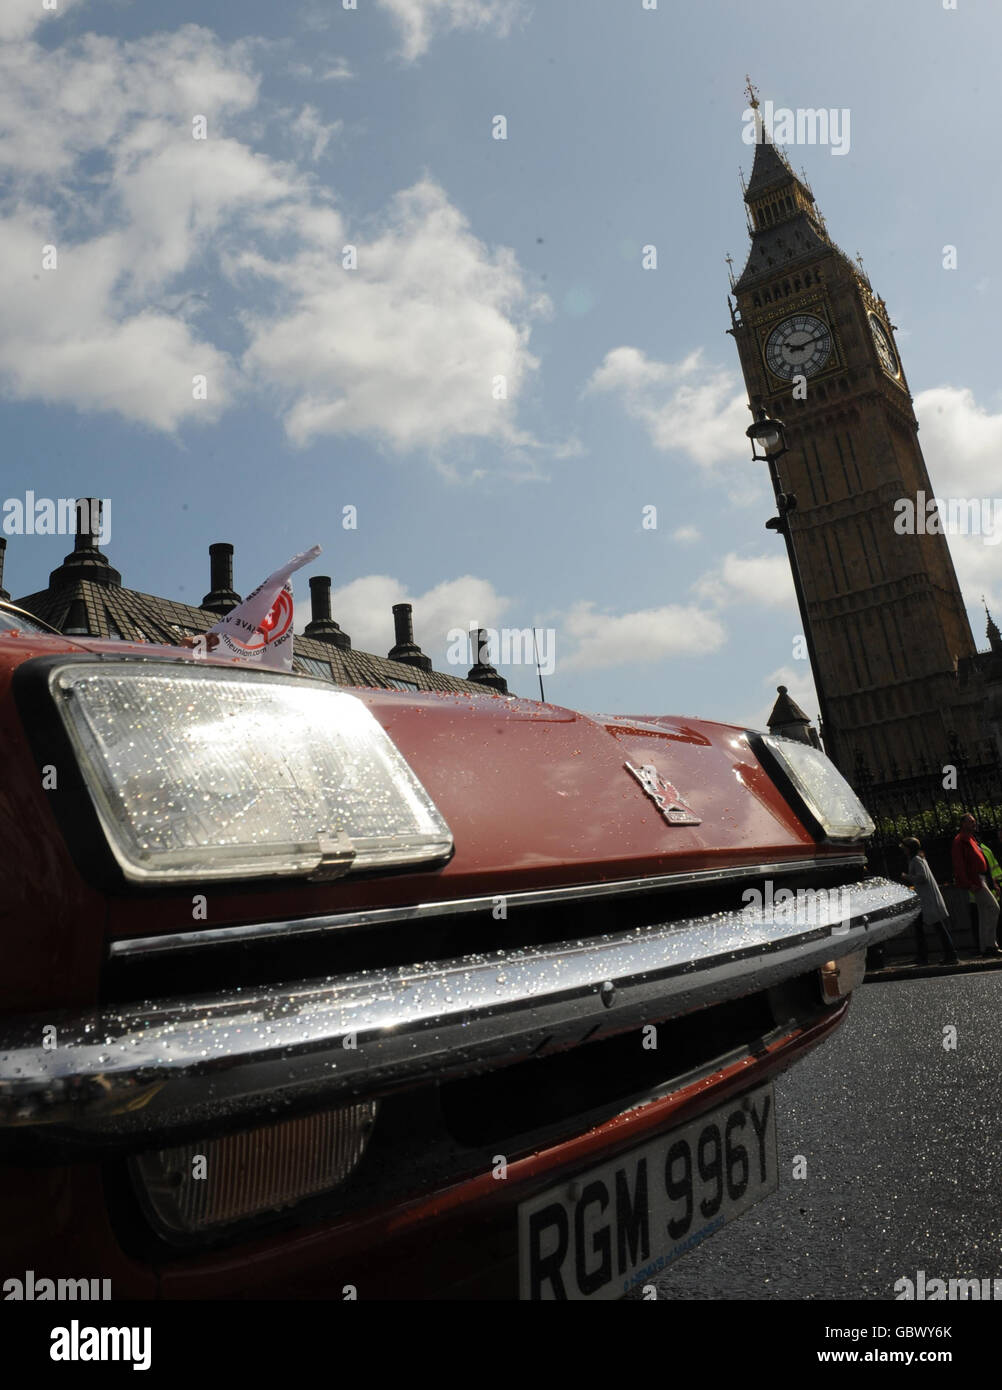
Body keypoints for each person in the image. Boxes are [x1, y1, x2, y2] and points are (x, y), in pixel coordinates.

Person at [901, 837, 959, 965]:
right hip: (924, 900)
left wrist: (907, 877)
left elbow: (922, 877)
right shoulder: (918, 858)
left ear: (909, 848)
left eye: (904, 846)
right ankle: (924, 955)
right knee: (921, 927)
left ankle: (950, 954)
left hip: (927, 900)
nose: (903, 849)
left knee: (937, 927)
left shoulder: (916, 860)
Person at [951, 814, 1001, 955]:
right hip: (976, 880)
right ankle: (990, 945)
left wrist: (992, 882)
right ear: (963, 824)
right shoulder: (960, 840)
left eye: (974, 821)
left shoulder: (971, 839)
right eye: (970, 822)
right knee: (993, 908)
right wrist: (968, 883)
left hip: (981, 878)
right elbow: (959, 865)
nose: (974, 823)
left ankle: (985, 947)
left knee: (984, 914)